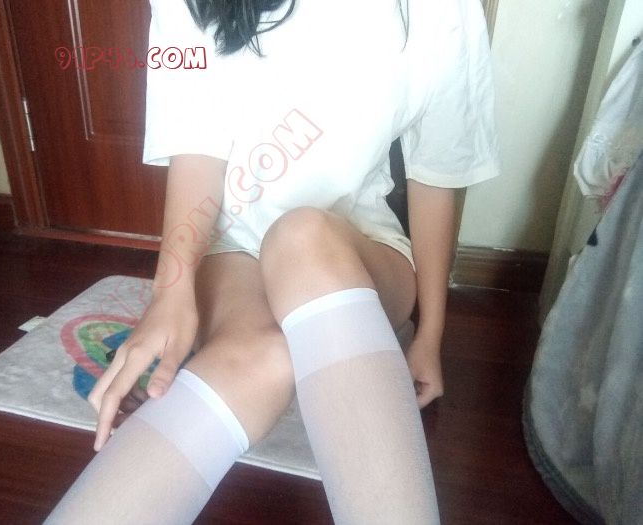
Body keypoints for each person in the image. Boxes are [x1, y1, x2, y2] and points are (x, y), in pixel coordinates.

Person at [45, 0, 501, 522]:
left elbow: (438, 171)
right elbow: (195, 141)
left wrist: (430, 336)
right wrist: (169, 293)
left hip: (360, 243)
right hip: (234, 248)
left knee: (301, 237)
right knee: (261, 356)